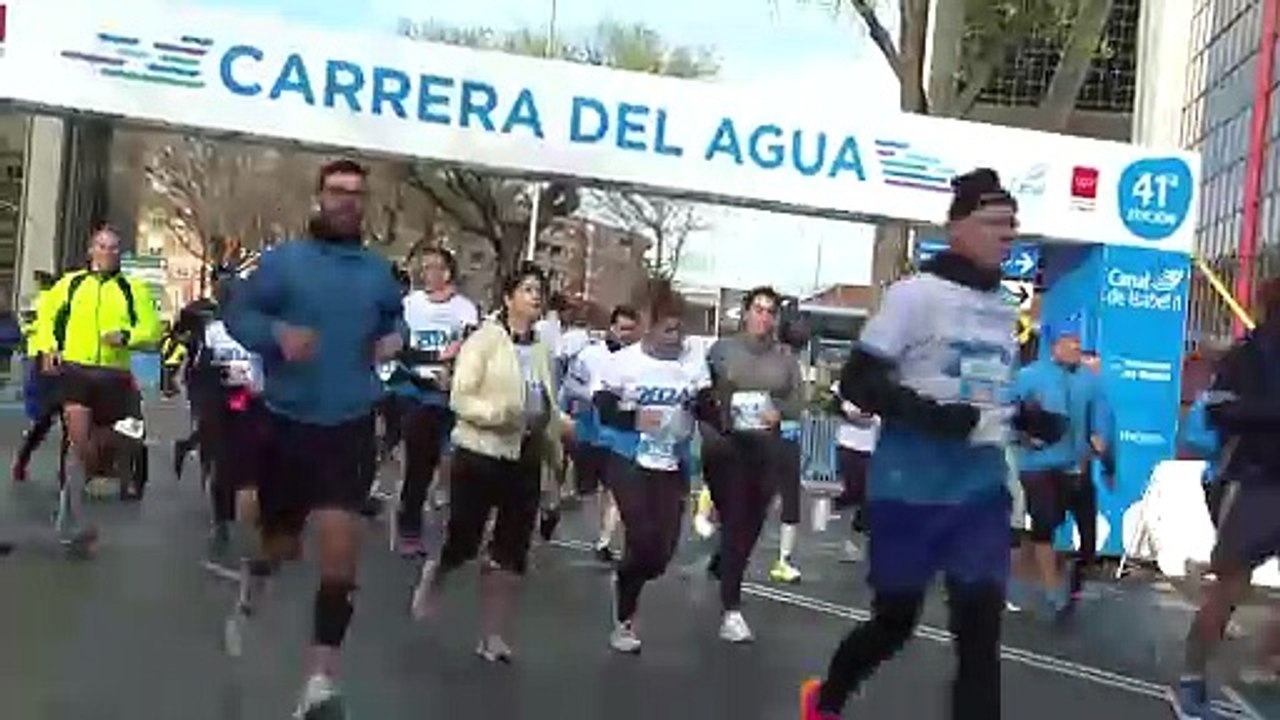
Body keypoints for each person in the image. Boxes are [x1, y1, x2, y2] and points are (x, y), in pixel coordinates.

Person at [801, 168, 1065, 720]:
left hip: (978, 491)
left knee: (979, 634)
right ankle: (826, 699)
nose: (1007, 234)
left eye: (1013, 225)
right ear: (957, 228)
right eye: (994, 222)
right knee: (895, 621)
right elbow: (858, 383)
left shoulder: (1003, 309)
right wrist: (931, 417)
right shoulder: (914, 296)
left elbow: (988, 397)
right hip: (909, 488)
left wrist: (1030, 419)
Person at [224, 158, 403, 719]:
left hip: (348, 427)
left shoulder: (378, 272)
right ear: (319, 197)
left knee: (340, 555)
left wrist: (392, 340)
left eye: (356, 193)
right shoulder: (283, 264)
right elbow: (237, 316)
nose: (347, 201)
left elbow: (393, 321)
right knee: (280, 547)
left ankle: (320, 683)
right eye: (337, 191)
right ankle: (258, 575)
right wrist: (276, 333)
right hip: (285, 424)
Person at [409, 263, 571, 662]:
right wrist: (502, 413)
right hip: (480, 452)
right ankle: (437, 573)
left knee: (513, 551)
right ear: (508, 297)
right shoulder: (483, 340)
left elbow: (548, 408)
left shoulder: (542, 349)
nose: (535, 297)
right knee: (464, 540)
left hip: (526, 456)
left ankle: (494, 635)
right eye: (528, 289)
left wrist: (557, 457)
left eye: (540, 290)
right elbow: (460, 399)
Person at [1169, 277, 1280, 719]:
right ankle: (1191, 681)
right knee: (1230, 586)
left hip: (1258, 480)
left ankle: (1266, 666)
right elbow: (1219, 409)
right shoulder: (1250, 355)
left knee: (1231, 586)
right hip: (1252, 481)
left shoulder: (1247, 353)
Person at [593, 281, 713, 653]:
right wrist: (638, 420)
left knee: (660, 556)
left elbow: (707, 405)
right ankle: (624, 622)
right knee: (642, 539)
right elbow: (604, 408)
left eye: (681, 329)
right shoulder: (622, 363)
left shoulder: (691, 362)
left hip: (671, 463)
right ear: (649, 326)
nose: (677, 338)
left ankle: (630, 572)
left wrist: (708, 410)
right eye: (669, 329)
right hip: (629, 458)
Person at [30, 224, 162, 548]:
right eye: (102, 247)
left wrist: (127, 336)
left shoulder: (134, 290)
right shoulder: (70, 285)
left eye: (114, 248)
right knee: (78, 437)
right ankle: (69, 516)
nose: (107, 253)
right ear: (91, 250)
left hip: (114, 375)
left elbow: (152, 329)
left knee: (118, 440)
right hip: (76, 369)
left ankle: (78, 497)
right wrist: (46, 348)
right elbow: (45, 318)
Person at [702, 286, 804, 643]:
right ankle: (731, 606)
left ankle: (726, 577)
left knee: (748, 527)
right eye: (757, 309)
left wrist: (780, 412)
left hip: (765, 449)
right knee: (736, 521)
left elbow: (797, 403)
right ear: (745, 313)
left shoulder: (785, 358)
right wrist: (718, 417)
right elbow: (702, 395)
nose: (763, 317)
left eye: (769, 311)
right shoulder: (722, 350)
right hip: (725, 448)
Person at [388, 247, 478, 556]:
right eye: (423, 268)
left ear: (448, 272)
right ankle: (409, 529)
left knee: (454, 465)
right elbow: (397, 350)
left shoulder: (465, 309)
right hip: (416, 393)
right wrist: (432, 362)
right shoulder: (409, 305)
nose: (427, 274)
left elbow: (469, 349)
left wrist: (455, 372)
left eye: (434, 268)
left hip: (452, 397)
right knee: (418, 466)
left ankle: (452, 527)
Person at [561, 304, 642, 563]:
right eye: (622, 328)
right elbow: (570, 384)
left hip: (620, 434)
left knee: (615, 488)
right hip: (588, 428)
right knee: (588, 490)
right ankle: (594, 532)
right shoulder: (590, 355)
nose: (626, 334)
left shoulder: (641, 360)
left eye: (631, 329)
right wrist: (565, 412)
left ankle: (604, 540)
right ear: (612, 327)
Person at [13, 270, 59, 483]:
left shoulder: (37, 301)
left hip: (40, 357)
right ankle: (66, 470)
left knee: (43, 418)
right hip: (57, 357)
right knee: (69, 414)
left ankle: (22, 462)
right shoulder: (62, 300)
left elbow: (26, 327)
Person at [832, 379, 879, 564]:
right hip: (848, 444)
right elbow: (833, 405)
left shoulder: (882, 385)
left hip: (872, 447)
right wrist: (847, 411)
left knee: (868, 495)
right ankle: (847, 537)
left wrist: (868, 415)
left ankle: (858, 539)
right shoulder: (845, 383)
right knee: (852, 491)